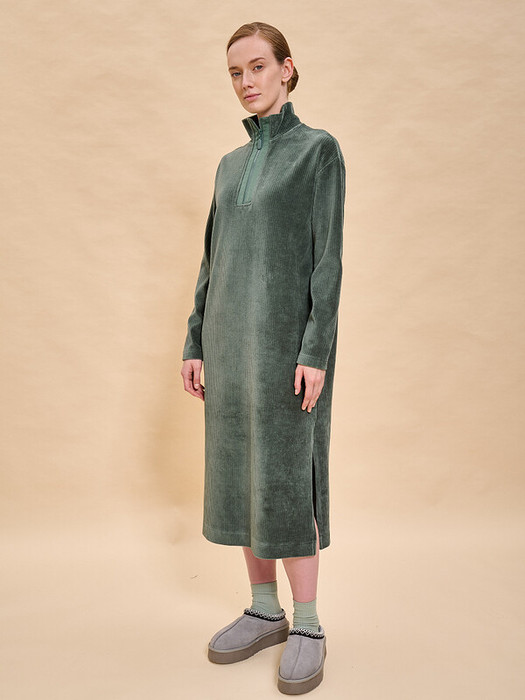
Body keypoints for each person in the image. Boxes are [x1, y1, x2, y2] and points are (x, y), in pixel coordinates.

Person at [181, 21, 345, 695]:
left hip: (286, 353)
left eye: (256, 66)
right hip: (227, 350)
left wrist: (315, 350)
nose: (245, 81)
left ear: (286, 68)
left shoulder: (318, 152)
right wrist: (195, 341)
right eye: (234, 72)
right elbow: (211, 261)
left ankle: (307, 624)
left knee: (285, 483)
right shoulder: (228, 165)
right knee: (244, 477)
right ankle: (263, 610)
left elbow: (327, 260)